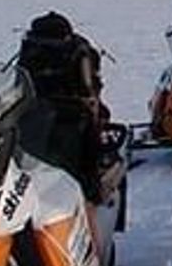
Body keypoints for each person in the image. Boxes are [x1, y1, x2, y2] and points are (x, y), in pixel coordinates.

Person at [15, 11, 110, 200]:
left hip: (68, 111)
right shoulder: (35, 51)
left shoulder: (78, 54)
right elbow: (20, 79)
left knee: (80, 145)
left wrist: (88, 105)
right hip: (38, 108)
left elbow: (88, 89)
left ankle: (88, 191)